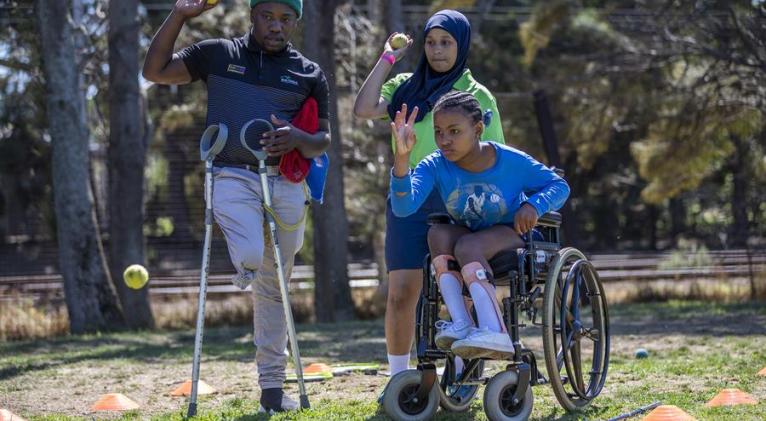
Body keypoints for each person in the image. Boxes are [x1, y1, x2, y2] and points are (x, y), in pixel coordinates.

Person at [142, 0, 330, 413]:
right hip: (231, 174)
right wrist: (179, 16)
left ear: (295, 22)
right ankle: (245, 265)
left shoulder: (309, 73)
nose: (276, 26)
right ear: (252, 15)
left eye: (286, 19)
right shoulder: (219, 54)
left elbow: (322, 141)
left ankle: (271, 391)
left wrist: (297, 137)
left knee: (276, 286)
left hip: (285, 180)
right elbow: (154, 72)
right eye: (268, 16)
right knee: (250, 255)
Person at [353, 9, 505, 377]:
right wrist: (388, 57)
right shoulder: (405, 85)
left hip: (458, 203)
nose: (437, 51)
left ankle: (462, 367)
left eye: (447, 42)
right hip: (409, 197)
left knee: (455, 288)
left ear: (462, 45)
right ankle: (397, 378)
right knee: (402, 292)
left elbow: (495, 156)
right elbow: (362, 109)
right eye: (432, 42)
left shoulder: (476, 95)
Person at [389, 91, 570, 359]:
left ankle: (495, 331)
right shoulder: (435, 165)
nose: (444, 140)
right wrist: (402, 159)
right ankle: (461, 323)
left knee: (467, 245)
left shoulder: (510, 161)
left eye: (454, 131)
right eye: (438, 132)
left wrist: (534, 206)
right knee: (438, 234)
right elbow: (403, 207)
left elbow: (559, 186)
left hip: (511, 234)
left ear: (477, 129)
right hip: (470, 234)